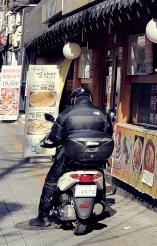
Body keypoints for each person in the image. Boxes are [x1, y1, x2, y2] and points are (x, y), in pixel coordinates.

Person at [29, 87, 112, 227]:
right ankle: (101, 201)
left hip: (69, 159)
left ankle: (43, 217)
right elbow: (108, 135)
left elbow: (54, 138)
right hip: (96, 159)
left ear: (74, 100)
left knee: (51, 181)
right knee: (101, 175)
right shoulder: (102, 114)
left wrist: (48, 142)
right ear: (90, 98)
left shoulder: (66, 114)